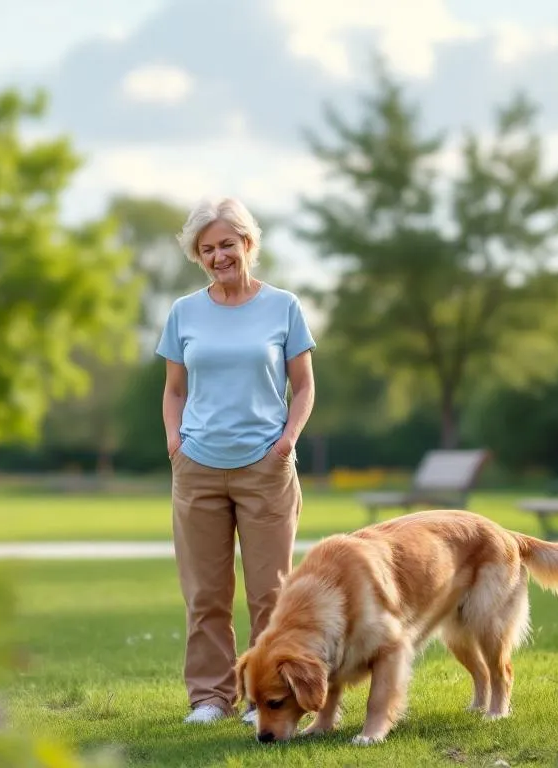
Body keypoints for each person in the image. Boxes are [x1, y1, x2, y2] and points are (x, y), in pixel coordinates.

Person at [155, 196, 316, 725]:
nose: (218, 256)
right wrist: (175, 444)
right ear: (198, 257)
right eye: (206, 249)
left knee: (271, 593)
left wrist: (288, 440)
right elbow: (174, 389)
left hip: (265, 466)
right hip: (197, 465)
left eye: (227, 244)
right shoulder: (184, 312)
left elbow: (304, 385)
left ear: (248, 243)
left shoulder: (283, 306)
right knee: (205, 594)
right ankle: (209, 698)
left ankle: (261, 699)